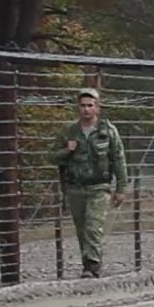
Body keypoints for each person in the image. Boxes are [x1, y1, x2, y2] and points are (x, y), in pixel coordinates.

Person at [51, 87, 128, 277]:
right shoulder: (69, 131)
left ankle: (92, 267)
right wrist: (67, 151)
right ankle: (88, 263)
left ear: (97, 108)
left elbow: (119, 159)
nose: (86, 109)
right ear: (78, 107)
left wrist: (121, 188)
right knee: (82, 229)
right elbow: (52, 158)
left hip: (99, 187)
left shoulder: (107, 131)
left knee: (94, 227)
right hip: (75, 187)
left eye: (90, 105)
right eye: (83, 105)